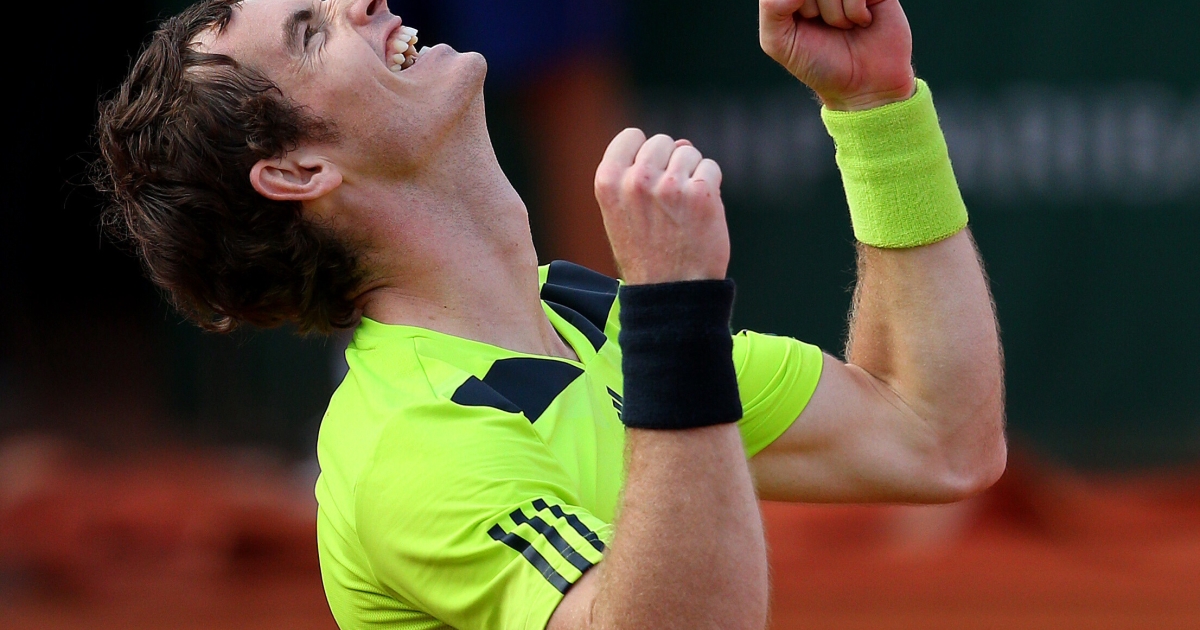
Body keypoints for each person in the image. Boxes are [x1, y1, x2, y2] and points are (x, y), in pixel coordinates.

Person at [94, 0, 1006, 628]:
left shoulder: (580, 321)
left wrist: (875, 107)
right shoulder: (414, 440)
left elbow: (935, 434)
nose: (362, 2)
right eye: (310, 33)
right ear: (298, 171)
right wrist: (675, 319)